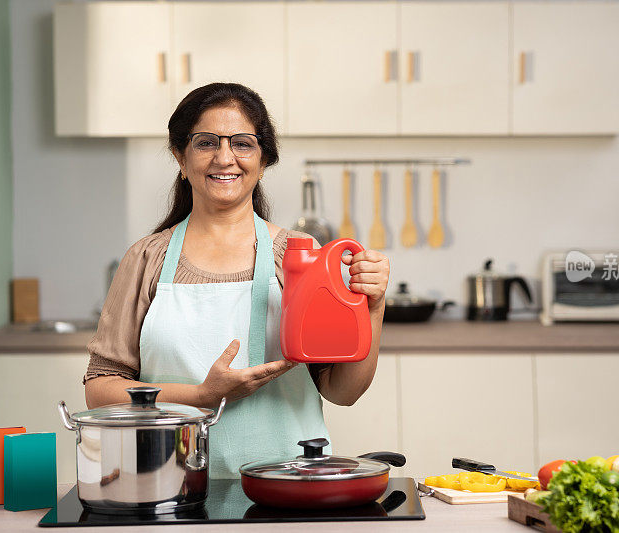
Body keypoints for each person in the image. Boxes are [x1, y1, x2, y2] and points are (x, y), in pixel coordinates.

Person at [84, 82, 390, 477]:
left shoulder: (299, 254)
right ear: (180, 156)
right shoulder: (146, 259)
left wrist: (374, 305)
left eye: (242, 143)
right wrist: (201, 397)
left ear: (263, 161)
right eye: (206, 142)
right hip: (166, 485)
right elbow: (100, 390)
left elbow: (342, 391)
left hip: (288, 485)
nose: (224, 157)